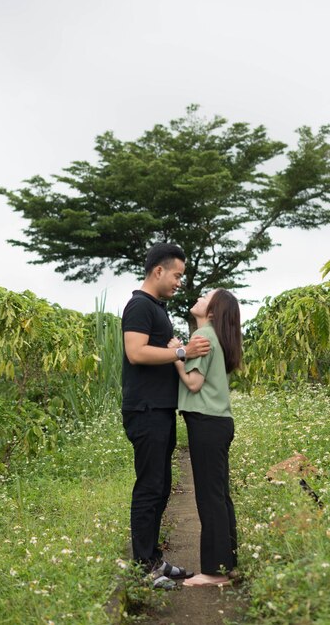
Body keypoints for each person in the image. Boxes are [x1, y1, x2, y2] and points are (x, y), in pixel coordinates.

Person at [122, 242, 211, 590]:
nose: (179, 282)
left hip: (158, 410)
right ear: (158, 271)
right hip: (144, 410)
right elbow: (136, 353)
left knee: (160, 487)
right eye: (176, 275)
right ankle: (143, 569)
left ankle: (153, 559)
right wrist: (182, 350)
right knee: (149, 487)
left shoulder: (155, 307)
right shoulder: (139, 306)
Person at [168, 288, 241, 587]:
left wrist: (176, 354)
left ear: (212, 312)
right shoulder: (214, 337)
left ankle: (214, 572)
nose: (200, 295)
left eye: (207, 296)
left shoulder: (204, 337)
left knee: (210, 498)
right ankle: (228, 565)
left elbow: (193, 383)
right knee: (220, 496)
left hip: (207, 423)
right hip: (218, 422)